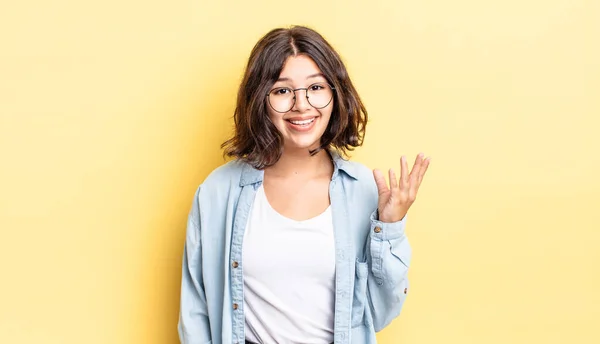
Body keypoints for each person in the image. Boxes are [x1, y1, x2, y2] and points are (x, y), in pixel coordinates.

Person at [178, 25, 430, 344]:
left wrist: (389, 228)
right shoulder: (218, 191)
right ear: (261, 99)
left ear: (335, 94)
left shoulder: (364, 190)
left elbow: (379, 314)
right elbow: (195, 312)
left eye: (316, 87)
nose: (301, 105)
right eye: (282, 90)